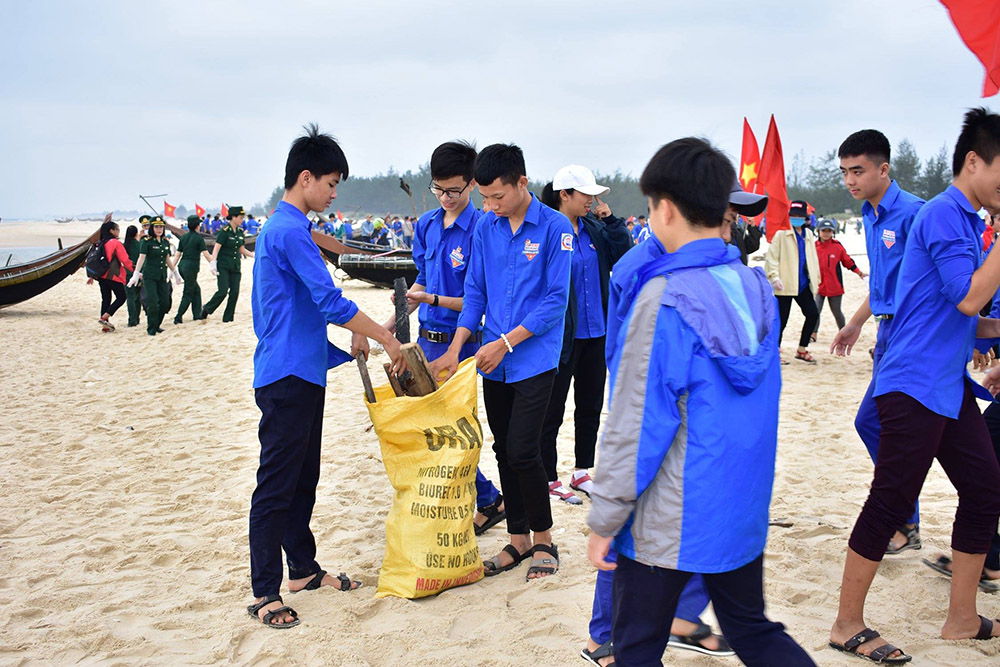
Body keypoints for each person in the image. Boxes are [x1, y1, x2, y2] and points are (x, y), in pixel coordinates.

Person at [587, 137, 813, 667]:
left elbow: (636, 424)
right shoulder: (756, 287)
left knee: (636, 646)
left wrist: (606, 517)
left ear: (665, 209)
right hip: (739, 504)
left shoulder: (665, 298)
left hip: (672, 515)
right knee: (752, 629)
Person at [829, 108, 1000, 662]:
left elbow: (967, 314)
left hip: (946, 383)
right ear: (973, 162)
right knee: (892, 499)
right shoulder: (944, 214)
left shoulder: (964, 219)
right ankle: (846, 624)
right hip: (912, 381)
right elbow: (968, 297)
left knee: (984, 488)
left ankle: (961, 617)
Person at [246, 124, 405, 629]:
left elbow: (304, 308)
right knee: (276, 484)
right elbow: (330, 301)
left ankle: (303, 571)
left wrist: (354, 335)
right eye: (331, 183)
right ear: (306, 178)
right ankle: (265, 591)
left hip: (303, 368)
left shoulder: (285, 229)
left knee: (302, 479)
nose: (334, 193)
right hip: (286, 373)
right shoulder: (289, 231)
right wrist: (384, 338)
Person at [431, 143, 571, 581]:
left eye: (498, 196)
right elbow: (475, 292)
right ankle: (518, 540)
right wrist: (456, 348)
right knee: (503, 449)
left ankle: (544, 539)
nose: (490, 206)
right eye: (485, 197)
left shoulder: (555, 227)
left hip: (533, 358)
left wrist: (506, 343)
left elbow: (555, 301)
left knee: (525, 449)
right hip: (492, 358)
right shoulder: (486, 229)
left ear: (521, 183)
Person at [382, 140, 506, 537]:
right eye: (439, 189)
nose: (446, 197)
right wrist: (390, 323)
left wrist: (431, 298)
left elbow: (477, 299)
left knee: (456, 429)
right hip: (425, 341)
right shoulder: (427, 226)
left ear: (471, 184)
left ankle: (487, 498)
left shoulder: (482, 228)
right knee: (429, 428)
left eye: (454, 190)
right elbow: (422, 281)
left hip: (462, 342)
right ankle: (485, 498)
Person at [830, 129, 926, 555]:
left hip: (913, 334)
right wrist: (855, 323)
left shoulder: (915, 214)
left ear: (883, 169)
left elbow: (936, 281)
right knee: (877, 424)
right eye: (844, 172)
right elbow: (884, 283)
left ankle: (905, 520)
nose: (849, 180)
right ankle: (906, 518)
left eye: (858, 171)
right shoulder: (870, 214)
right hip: (885, 333)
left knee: (882, 425)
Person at [537, 165, 632, 505]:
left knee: (590, 405)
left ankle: (581, 471)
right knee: (552, 408)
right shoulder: (547, 229)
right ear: (564, 195)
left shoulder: (593, 228)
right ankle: (549, 477)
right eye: (586, 194)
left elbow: (624, 257)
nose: (592, 200)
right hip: (561, 335)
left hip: (597, 331)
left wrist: (612, 221)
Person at [765, 200, 820, 363]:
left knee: (812, 314)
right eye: (793, 215)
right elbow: (772, 258)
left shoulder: (808, 234)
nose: (796, 218)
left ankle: (802, 349)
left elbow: (812, 258)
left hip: (803, 283)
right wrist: (774, 277)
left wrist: (816, 279)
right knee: (781, 320)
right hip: (785, 283)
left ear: (805, 217)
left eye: (799, 216)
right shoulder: (781, 233)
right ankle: (775, 351)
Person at [813, 218, 866, 339]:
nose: (826, 233)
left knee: (837, 312)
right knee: (815, 311)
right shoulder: (813, 246)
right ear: (818, 231)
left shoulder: (837, 246)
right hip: (818, 286)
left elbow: (847, 261)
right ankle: (813, 334)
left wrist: (859, 273)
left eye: (829, 231)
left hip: (835, 285)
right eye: (824, 231)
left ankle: (843, 333)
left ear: (833, 232)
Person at [128, 217, 181, 336]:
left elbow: (167, 258)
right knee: (153, 303)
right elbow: (141, 257)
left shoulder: (165, 242)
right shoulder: (146, 241)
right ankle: (151, 329)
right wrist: (136, 274)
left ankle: (157, 324)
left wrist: (175, 272)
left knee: (165, 303)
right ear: (152, 228)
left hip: (162, 276)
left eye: (161, 226)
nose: (159, 229)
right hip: (150, 276)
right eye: (156, 226)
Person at [202, 205, 254, 322]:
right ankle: (207, 308)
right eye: (240, 217)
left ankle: (228, 318)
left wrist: (254, 255)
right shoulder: (224, 232)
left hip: (235, 265)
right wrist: (213, 262)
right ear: (233, 217)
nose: (242, 220)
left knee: (234, 292)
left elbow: (241, 249)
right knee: (223, 291)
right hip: (223, 266)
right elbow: (216, 248)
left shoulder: (240, 232)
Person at [91, 217, 133, 332]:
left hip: (101, 275)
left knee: (106, 299)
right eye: (117, 229)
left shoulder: (100, 242)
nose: (118, 232)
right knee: (121, 297)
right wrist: (135, 270)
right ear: (111, 231)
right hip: (112, 275)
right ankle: (105, 317)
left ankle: (105, 327)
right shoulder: (115, 243)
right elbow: (125, 260)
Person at [173, 215, 213, 324]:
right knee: (188, 293)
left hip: (182, 266)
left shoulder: (184, 237)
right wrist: (213, 264)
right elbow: (206, 254)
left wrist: (172, 268)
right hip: (190, 268)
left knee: (196, 290)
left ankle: (197, 314)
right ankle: (178, 316)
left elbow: (177, 254)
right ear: (197, 226)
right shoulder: (199, 238)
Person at [720, 180, 768, 265]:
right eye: (726, 220)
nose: (726, 236)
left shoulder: (737, 229)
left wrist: (752, 227)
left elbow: (751, 247)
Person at [123, 224, 142, 327]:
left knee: (130, 297)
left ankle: (132, 320)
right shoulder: (139, 245)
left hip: (126, 273)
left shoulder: (124, 246)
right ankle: (137, 319)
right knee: (137, 296)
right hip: (137, 272)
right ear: (136, 233)